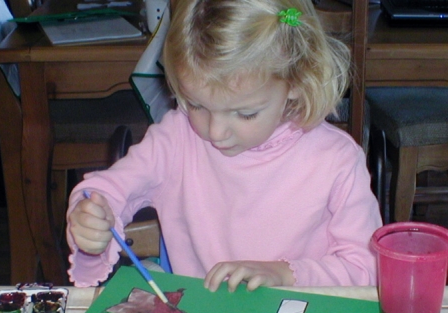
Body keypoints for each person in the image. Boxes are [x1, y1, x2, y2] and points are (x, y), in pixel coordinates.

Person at [66, 0, 382, 291]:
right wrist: (90, 223)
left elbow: (366, 268)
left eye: (245, 114)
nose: (216, 132)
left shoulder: (335, 160)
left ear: (297, 82)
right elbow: (105, 192)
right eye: (195, 105)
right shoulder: (176, 138)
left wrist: (284, 274)